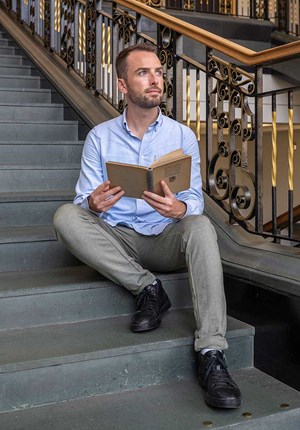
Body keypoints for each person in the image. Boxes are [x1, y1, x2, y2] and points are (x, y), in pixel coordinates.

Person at [53, 43, 241, 409]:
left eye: (158, 72)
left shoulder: (182, 136)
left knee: (201, 226)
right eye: (143, 73)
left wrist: (179, 207)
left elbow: (196, 201)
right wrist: (93, 203)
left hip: (165, 238)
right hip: (118, 238)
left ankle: (212, 354)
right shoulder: (100, 138)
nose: (155, 80)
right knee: (65, 217)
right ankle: (147, 287)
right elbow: (81, 204)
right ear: (123, 86)